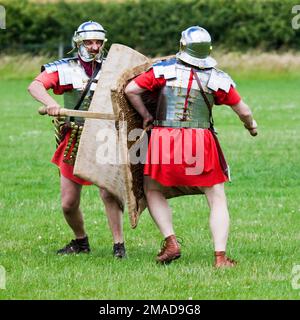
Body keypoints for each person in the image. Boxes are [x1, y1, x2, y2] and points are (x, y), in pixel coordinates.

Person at [125, 26, 258, 267]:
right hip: (200, 139)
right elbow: (244, 111)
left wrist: (145, 115)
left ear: (182, 46)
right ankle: (220, 257)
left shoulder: (162, 71)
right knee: (216, 196)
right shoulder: (217, 77)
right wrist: (252, 127)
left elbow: (131, 89)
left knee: (153, 189)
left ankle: (171, 241)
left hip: (164, 137)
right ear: (207, 51)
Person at [28, 21, 126, 258]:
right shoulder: (64, 68)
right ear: (78, 43)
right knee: (68, 203)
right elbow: (36, 85)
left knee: (108, 192)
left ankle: (119, 246)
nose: (94, 47)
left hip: (104, 137)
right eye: (89, 42)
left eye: (98, 42)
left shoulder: (114, 68)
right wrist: (50, 103)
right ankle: (81, 242)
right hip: (75, 137)